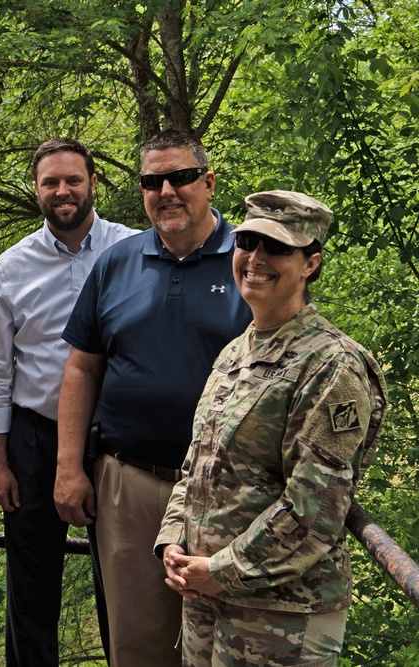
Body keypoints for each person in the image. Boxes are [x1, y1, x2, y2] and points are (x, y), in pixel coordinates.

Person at [156, 191, 386, 666]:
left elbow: (315, 505)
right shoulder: (235, 353)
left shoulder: (332, 364)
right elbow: (196, 466)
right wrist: (173, 540)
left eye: (278, 248)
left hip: (281, 615)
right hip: (206, 599)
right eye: (248, 242)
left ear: (311, 264)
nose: (256, 259)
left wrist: (221, 569)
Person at [54, 128, 252, 666]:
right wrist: (69, 466)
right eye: (152, 181)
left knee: (224, 643)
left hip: (228, 490)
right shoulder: (116, 263)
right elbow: (80, 368)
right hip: (129, 483)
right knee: (137, 645)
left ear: (208, 183)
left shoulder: (251, 262)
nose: (166, 190)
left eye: (181, 177)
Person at [0, 138, 138, 666]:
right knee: (30, 584)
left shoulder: (135, 252)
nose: (62, 191)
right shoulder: (12, 266)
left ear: (93, 182)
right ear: (37, 190)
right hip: (34, 438)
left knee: (125, 585)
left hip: (117, 441)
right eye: (51, 182)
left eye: (72, 180)